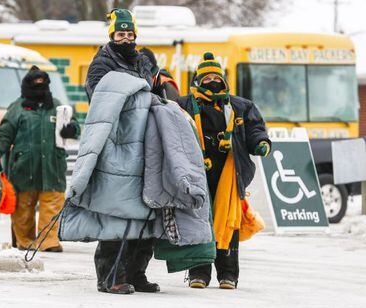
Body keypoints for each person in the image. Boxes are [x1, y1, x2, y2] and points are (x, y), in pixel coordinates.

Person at [78, 8, 159, 294]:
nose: (126, 38)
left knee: (145, 211)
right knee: (116, 212)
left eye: (130, 34)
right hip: (114, 145)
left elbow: (152, 95)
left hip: (143, 144)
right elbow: (101, 97)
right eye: (120, 34)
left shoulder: (143, 63)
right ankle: (111, 276)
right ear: (112, 35)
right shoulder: (101, 64)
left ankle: (136, 273)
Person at [177, 52, 271, 289]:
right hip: (196, 174)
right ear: (198, 81)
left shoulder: (240, 106)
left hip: (229, 173)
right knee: (198, 221)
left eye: (215, 77)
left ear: (223, 79)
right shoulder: (184, 105)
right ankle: (198, 273)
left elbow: (255, 129)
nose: (211, 82)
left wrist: (261, 143)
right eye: (206, 78)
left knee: (228, 222)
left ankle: (228, 275)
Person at [0, 66, 80, 253]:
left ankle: (48, 241)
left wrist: (72, 129)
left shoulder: (57, 106)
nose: (40, 88)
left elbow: (75, 125)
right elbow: (5, 132)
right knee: (23, 206)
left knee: (53, 203)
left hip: (53, 165)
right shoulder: (17, 108)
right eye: (35, 84)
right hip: (24, 167)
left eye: (43, 83)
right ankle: (24, 240)